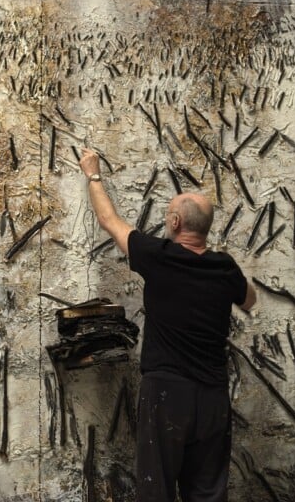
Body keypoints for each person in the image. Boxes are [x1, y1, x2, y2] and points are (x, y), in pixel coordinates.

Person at [79, 148, 257, 502]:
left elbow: (109, 220)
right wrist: (222, 275)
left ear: (176, 223)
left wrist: (93, 174)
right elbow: (249, 299)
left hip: (167, 393)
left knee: (156, 488)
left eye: (168, 215)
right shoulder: (225, 268)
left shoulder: (158, 256)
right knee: (208, 491)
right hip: (212, 396)